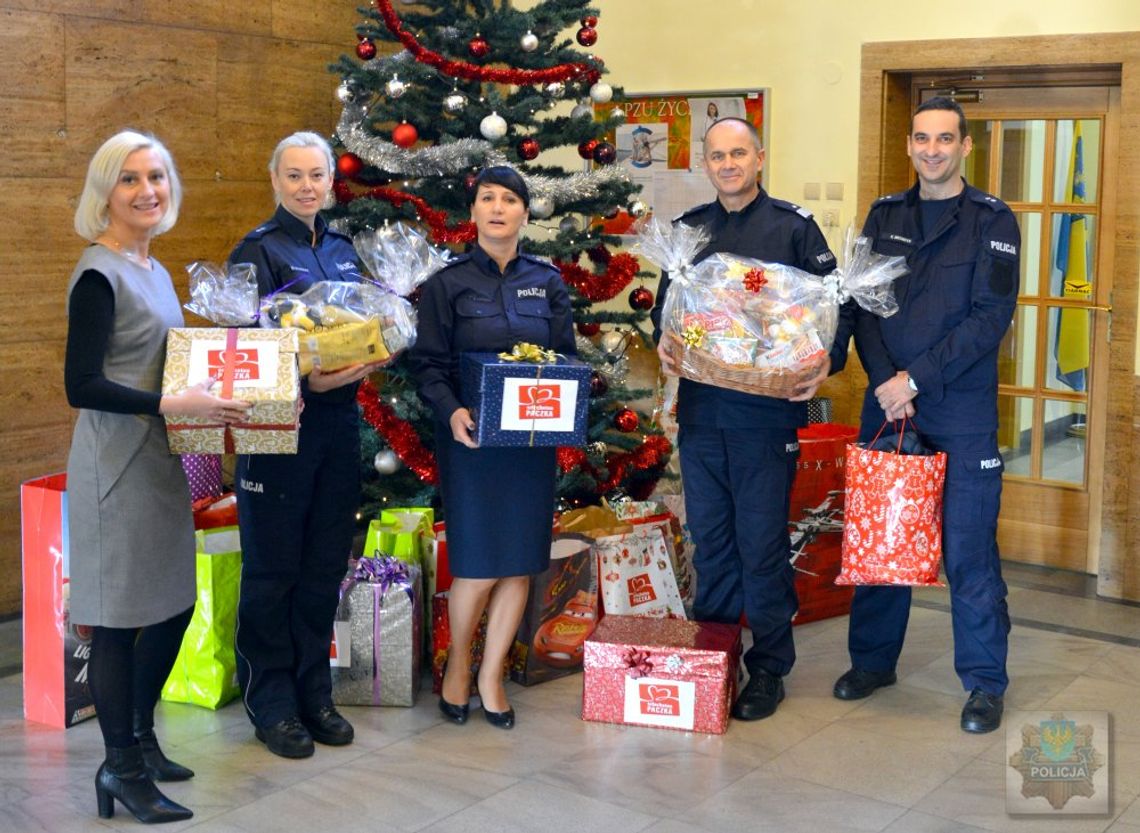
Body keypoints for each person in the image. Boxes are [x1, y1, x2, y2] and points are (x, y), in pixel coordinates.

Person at [66, 130, 251, 823]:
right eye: (130, 179)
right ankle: (119, 768)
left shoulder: (154, 266)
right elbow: (80, 383)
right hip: (115, 467)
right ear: (105, 194)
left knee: (172, 603)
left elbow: (161, 363)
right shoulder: (98, 273)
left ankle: (140, 738)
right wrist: (173, 402)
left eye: (158, 177)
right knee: (117, 624)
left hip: (161, 460)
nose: (148, 190)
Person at [651, 117, 851, 721]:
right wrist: (662, 341)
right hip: (703, 416)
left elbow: (834, 306)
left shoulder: (793, 227)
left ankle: (768, 666)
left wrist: (826, 365)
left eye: (739, 153)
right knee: (711, 544)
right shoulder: (688, 232)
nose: (729, 164)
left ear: (759, 158)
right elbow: (668, 312)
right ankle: (716, 656)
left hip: (767, 420)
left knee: (761, 545)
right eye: (718, 156)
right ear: (706, 165)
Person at [833, 96, 1018, 734]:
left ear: (966, 146)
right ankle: (873, 662)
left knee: (968, 551)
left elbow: (989, 318)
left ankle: (985, 684)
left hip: (960, 408)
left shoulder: (993, 220)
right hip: (888, 407)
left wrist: (916, 378)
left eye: (944, 139)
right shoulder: (884, 215)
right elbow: (860, 305)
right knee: (881, 541)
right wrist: (888, 381)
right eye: (921, 138)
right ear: (909, 146)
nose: (932, 149)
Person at [230, 132, 387, 759]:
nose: (306, 186)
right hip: (277, 433)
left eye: (316, 175)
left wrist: (376, 347)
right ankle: (271, 702)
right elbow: (242, 352)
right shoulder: (256, 251)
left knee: (324, 567)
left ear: (330, 181)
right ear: (274, 180)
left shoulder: (346, 250)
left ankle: (313, 694)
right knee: (272, 572)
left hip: (338, 428)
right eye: (293, 175)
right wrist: (303, 376)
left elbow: (361, 325)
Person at [409, 166, 575, 730]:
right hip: (472, 443)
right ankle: (458, 667)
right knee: (478, 566)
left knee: (520, 567)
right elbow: (427, 364)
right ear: (473, 212)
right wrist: (452, 412)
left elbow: (567, 359)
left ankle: (491, 676)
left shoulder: (547, 282)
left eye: (510, 199)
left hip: (531, 443)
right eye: (488, 199)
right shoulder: (446, 284)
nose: (499, 208)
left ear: (525, 213)